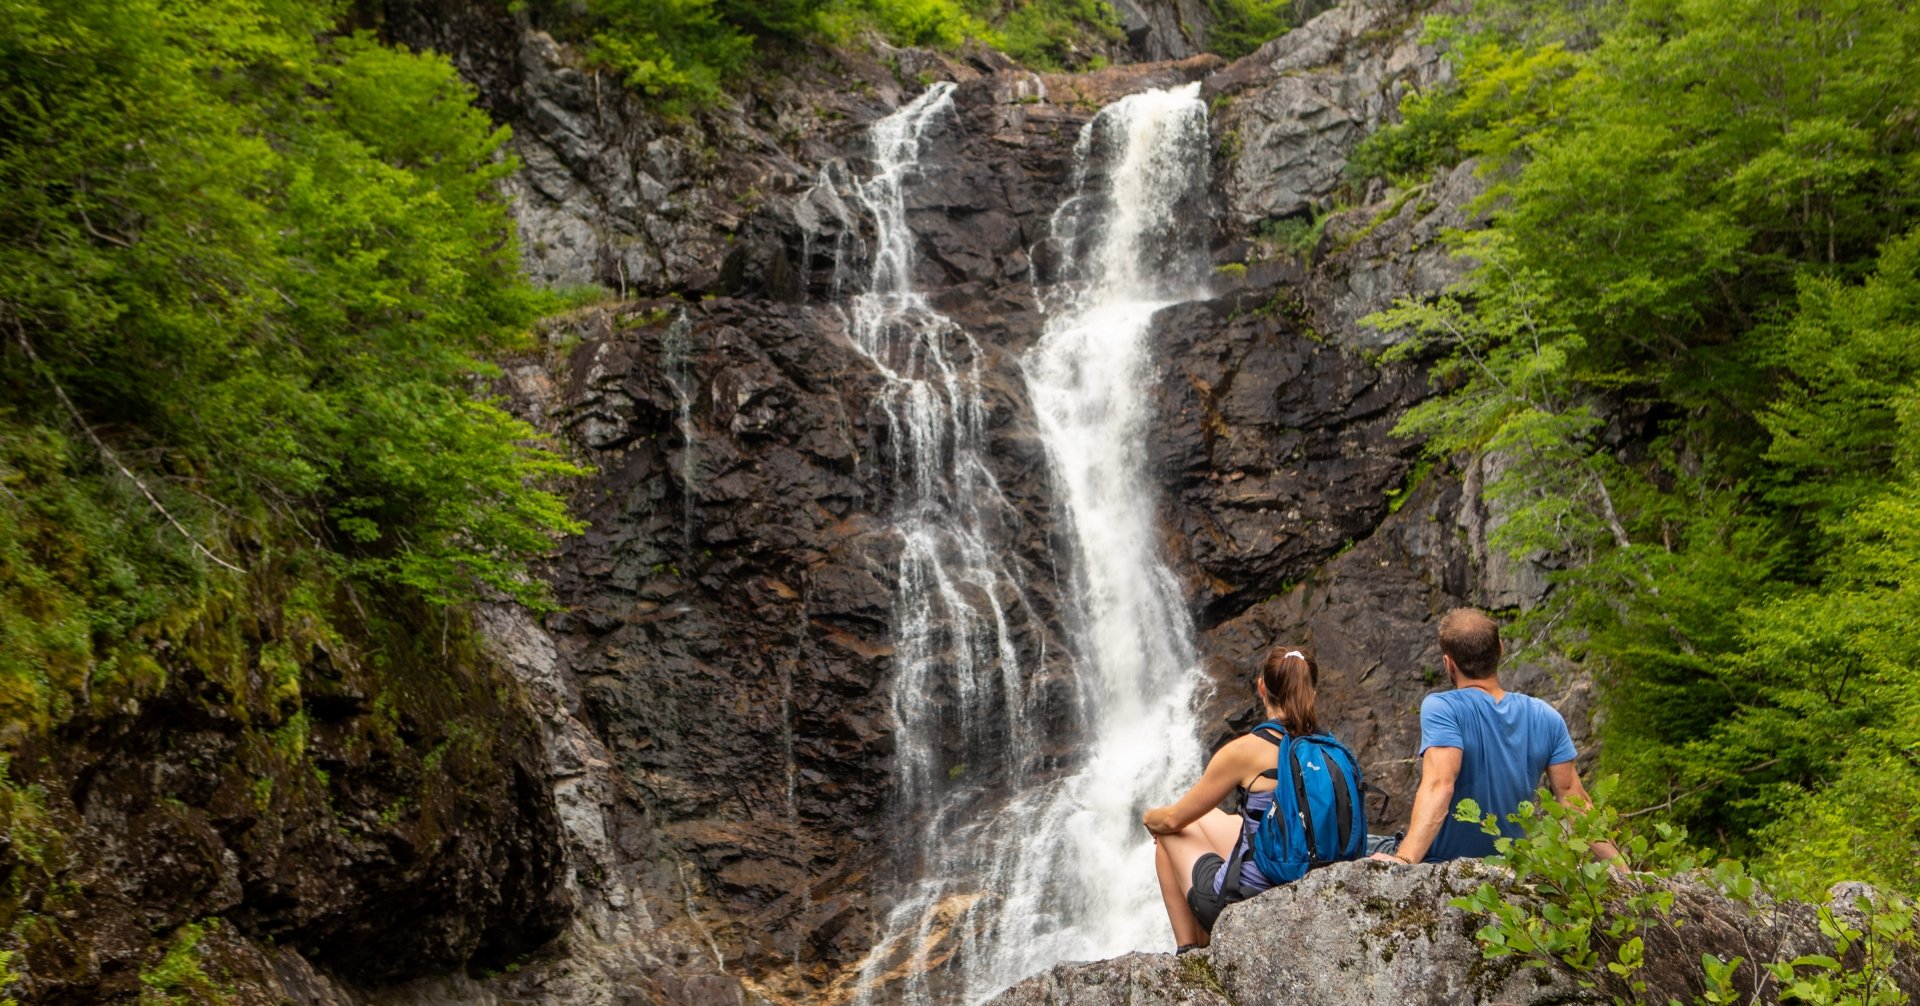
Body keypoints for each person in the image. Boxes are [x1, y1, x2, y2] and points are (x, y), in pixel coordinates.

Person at [1370, 608, 1618, 866]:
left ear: (1448, 663)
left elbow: (1440, 785)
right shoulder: (1545, 716)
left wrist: (1402, 860)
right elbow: (1575, 802)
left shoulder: (1443, 708)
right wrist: (1627, 875)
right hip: (1509, 865)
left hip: (1441, 866)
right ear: (1500, 649)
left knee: (1357, 844)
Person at [1142, 646, 1345, 951]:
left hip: (1255, 895)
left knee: (1169, 833)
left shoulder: (1246, 751)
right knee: (1213, 818)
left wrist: (1149, 818)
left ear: (1262, 686)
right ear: (1312, 692)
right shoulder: (1330, 751)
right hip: (1312, 885)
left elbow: (1173, 818)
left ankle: (1189, 957)